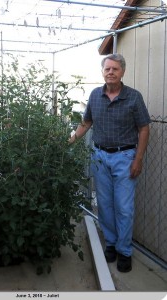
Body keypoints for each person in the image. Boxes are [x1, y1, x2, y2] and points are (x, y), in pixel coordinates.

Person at [69, 53, 151, 272]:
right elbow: (86, 123)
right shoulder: (95, 95)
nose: (111, 72)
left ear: (122, 71)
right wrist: (69, 141)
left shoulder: (134, 97)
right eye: (108, 69)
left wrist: (138, 159)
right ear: (103, 72)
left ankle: (125, 251)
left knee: (123, 207)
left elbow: (144, 128)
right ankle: (111, 244)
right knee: (104, 205)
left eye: (115, 69)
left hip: (125, 158)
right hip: (100, 157)